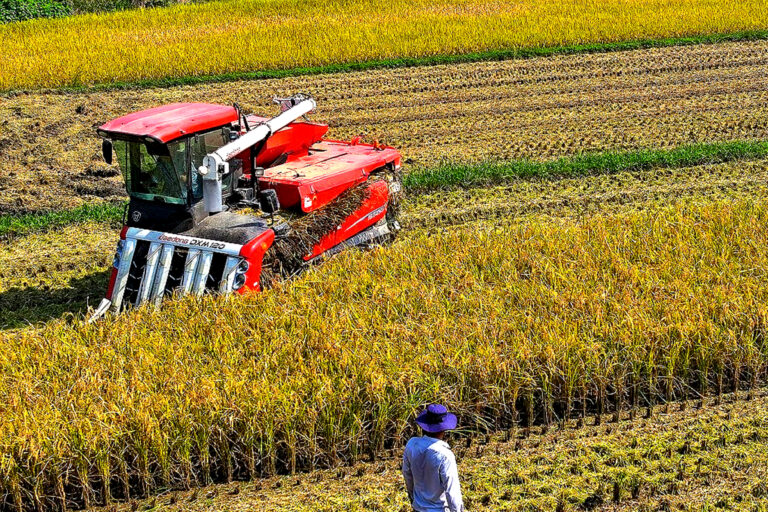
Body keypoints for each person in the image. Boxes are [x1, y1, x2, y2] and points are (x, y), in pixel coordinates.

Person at [402, 404, 464, 512]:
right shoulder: (445, 455)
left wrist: (413, 499)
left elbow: (407, 475)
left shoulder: (411, 445)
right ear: (443, 429)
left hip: (418, 508)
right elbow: (452, 493)